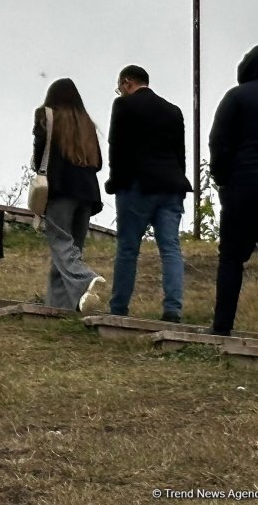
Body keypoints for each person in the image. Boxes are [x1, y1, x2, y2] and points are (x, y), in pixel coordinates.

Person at [105, 64, 191, 322]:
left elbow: (116, 148)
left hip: (137, 186)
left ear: (127, 82)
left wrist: (115, 182)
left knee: (129, 249)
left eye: (120, 87)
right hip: (171, 186)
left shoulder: (124, 106)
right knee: (170, 248)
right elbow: (180, 154)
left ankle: (119, 308)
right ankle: (173, 309)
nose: (120, 92)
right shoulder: (173, 111)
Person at [207, 45, 258, 337]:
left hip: (242, 187)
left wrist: (221, 178)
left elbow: (218, 141)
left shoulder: (236, 97)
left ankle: (222, 327)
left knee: (231, 258)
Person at [31, 79, 106, 312]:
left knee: (61, 243)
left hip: (61, 188)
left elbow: (39, 154)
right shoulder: (87, 123)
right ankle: (60, 307)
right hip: (87, 193)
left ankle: (86, 279)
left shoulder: (47, 115)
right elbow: (99, 163)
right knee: (69, 251)